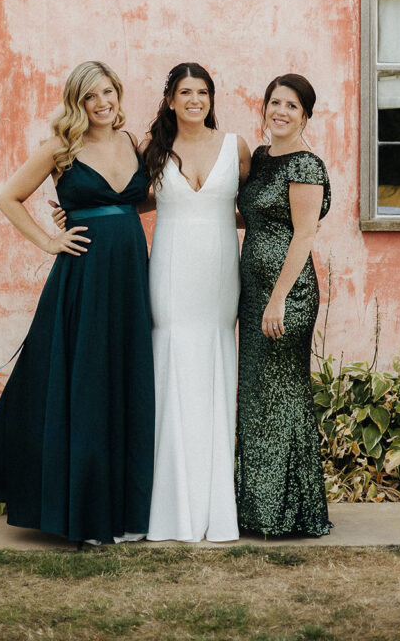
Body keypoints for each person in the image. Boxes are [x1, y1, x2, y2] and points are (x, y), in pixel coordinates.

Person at [0, 60, 155, 545]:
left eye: (108, 92)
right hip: (84, 277)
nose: (102, 103)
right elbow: (8, 198)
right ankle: (82, 512)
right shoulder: (61, 148)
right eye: (91, 96)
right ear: (77, 102)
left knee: (121, 378)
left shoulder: (133, 144)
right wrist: (49, 241)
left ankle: (122, 506)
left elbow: (138, 201)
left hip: (130, 271)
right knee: (84, 380)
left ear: (118, 93)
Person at [143, 62, 251, 542]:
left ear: (211, 98)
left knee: (214, 364)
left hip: (218, 278)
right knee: (171, 367)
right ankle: (168, 509)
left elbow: (257, 205)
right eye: (185, 92)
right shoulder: (154, 150)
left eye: (202, 92)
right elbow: (136, 199)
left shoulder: (236, 147)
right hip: (170, 276)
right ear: (170, 100)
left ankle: (213, 507)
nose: (194, 100)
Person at [236, 73, 332, 537]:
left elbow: (304, 233)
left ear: (305, 116)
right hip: (254, 292)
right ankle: (260, 508)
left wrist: (277, 298)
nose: (281, 111)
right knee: (259, 397)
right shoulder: (260, 159)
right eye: (275, 102)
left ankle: (288, 511)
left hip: (285, 296)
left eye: (292, 106)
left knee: (283, 396)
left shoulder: (305, 166)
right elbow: (247, 214)